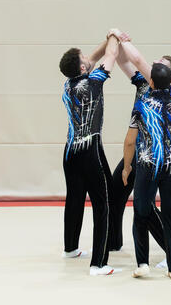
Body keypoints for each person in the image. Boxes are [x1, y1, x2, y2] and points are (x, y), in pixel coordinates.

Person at [116, 36, 171, 280]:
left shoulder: (144, 103)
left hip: (146, 159)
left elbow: (129, 140)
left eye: (159, 62)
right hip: (170, 162)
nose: (153, 62)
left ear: (157, 77)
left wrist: (118, 35)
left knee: (141, 210)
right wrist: (169, 150)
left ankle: (144, 262)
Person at [58, 33, 121, 275]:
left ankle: (70, 248)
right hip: (89, 150)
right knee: (102, 204)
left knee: (74, 198)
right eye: (85, 58)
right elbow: (111, 55)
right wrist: (115, 34)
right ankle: (99, 263)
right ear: (83, 68)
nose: (89, 58)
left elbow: (95, 57)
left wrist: (108, 38)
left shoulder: (68, 83)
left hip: (70, 151)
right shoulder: (93, 82)